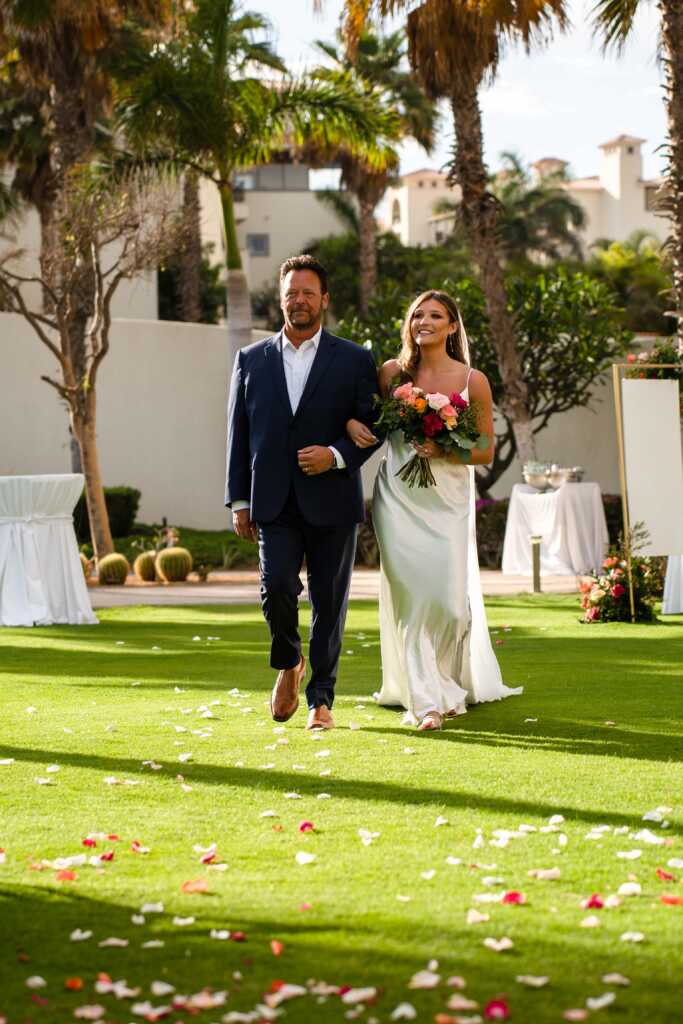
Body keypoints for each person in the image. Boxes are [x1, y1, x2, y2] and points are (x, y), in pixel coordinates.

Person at [347, 290, 522, 731]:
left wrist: (443, 448)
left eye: (435, 315)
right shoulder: (390, 373)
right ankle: (426, 702)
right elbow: (361, 417)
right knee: (412, 599)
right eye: (417, 314)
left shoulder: (472, 379)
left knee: (447, 603)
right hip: (399, 498)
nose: (424, 320)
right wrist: (351, 423)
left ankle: (445, 681)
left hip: (447, 501)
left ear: (452, 326)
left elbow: (483, 450)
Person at [225, 254, 380, 730]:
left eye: (308, 292)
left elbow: (372, 426)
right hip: (272, 500)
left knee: (330, 603)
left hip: (332, 496)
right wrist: (240, 499)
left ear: (324, 300)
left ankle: (321, 700)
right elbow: (239, 432)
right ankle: (290, 662)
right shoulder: (250, 359)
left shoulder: (355, 359)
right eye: (292, 292)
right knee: (276, 590)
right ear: (281, 298)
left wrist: (333, 455)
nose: (299, 300)